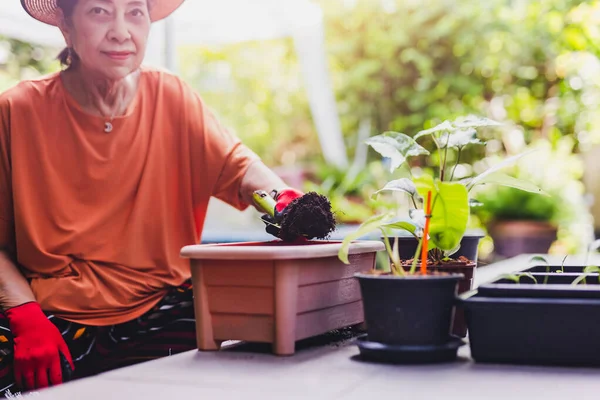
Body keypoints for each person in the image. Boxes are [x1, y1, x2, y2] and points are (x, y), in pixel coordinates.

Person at [0, 0, 307, 396]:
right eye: (98, 11)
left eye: (134, 12)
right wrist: (25, 315)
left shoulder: (172, 96)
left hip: (164, 307)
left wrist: (286, 202)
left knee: (275, 363)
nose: (120, 31)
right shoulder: (17, 112)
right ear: (66, 26)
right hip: (53, 313)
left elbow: (240, 168)